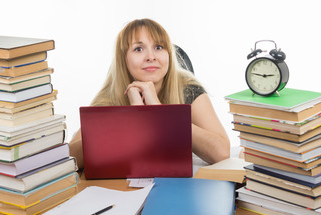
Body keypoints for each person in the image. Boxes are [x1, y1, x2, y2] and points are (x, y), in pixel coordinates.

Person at [69, 18, 230, 169]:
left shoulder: (187, 88)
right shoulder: (110, 97)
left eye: (158, 47)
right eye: (138, 49)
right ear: (123, 59)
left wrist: (160, 112)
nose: (151, 57)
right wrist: (132, 117)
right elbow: (70, 157)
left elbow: (221, 152)